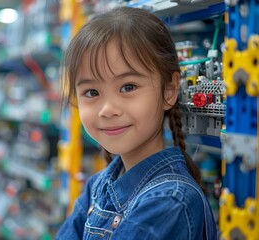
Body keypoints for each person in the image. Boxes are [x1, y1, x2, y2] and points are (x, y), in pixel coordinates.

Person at [56, 6, 217, 240]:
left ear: (169, 89)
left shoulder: (169, 201)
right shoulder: (97, 186)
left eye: (128, 87)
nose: (107, 109)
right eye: (91, 92)